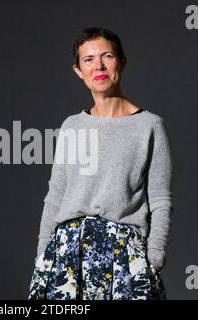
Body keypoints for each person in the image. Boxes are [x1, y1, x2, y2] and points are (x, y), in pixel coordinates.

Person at [28, 27, 173, 300]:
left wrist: (153, 259)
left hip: (123, 257)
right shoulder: (72, 127)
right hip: (66, 255)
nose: (99, 66)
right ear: (78, 71)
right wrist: (42, 258)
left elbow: (161, 200)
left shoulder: (149, 126)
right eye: (89, 60)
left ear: (122, 61)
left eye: (107, 56)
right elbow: (56, 195)